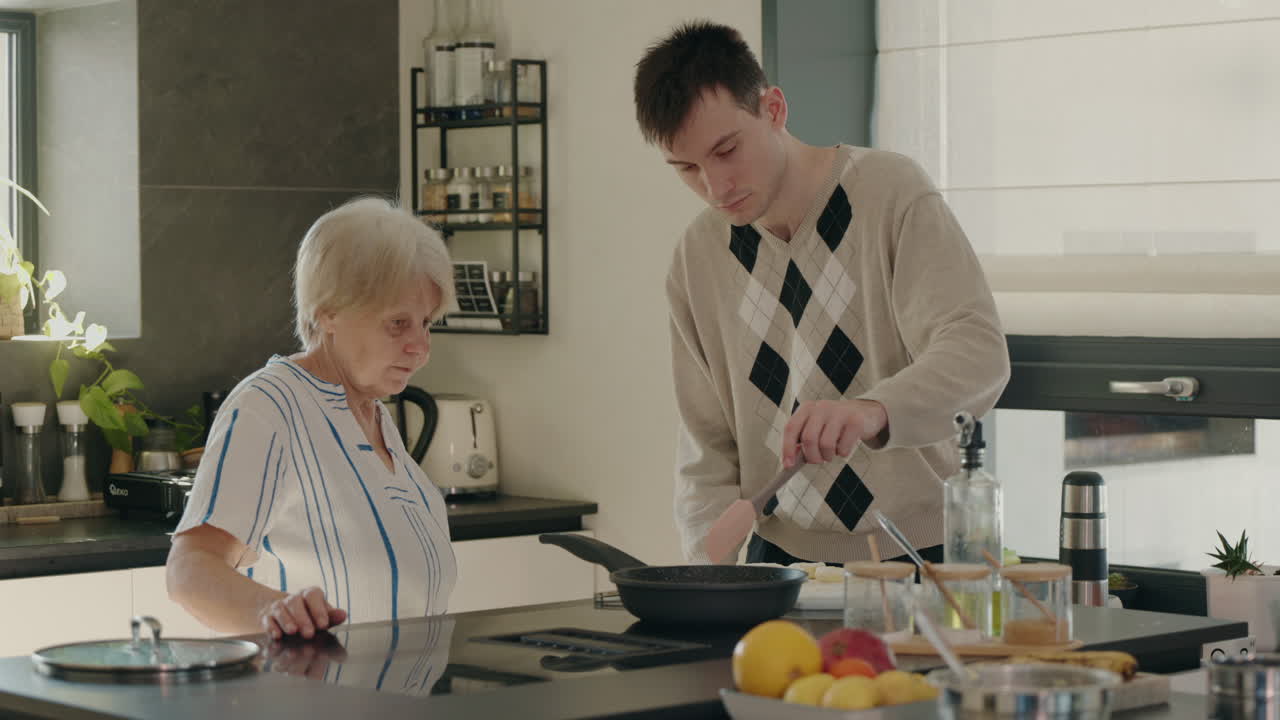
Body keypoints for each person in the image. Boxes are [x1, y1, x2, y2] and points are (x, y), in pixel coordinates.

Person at [634, 22, 1010, 566]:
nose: (715, 187)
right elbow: (707, 441)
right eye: (687, 168)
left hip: (922, 555)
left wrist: (871, 410)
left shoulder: (890, 193)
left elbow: (977, 352)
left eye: (727, 150)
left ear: (774, 109)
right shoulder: (698, 257)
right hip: (779, 561)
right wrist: (703, 572)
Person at [167, 197, 458, 639]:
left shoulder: (375, 418)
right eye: (398, 324)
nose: (421, 347)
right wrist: (273, 612)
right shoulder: (271, 407)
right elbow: (189, 571)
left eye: (426, 323)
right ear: (329, 312)